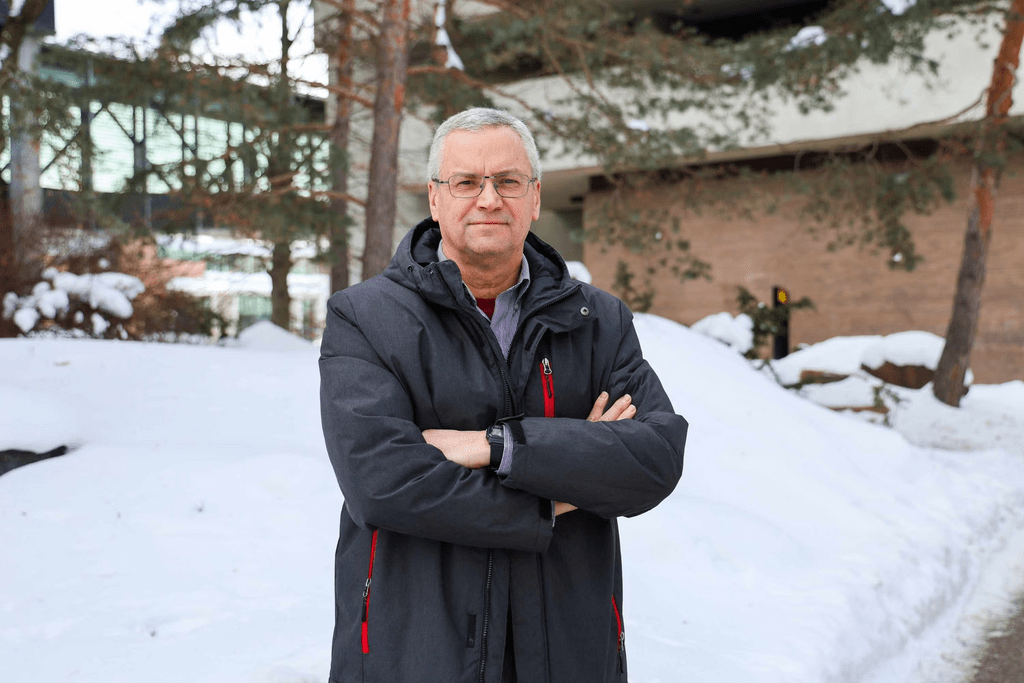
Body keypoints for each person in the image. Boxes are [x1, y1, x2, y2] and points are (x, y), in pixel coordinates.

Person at [319, 107, 687, 683]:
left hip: (568, 652)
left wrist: (495, 446)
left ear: (535, 198)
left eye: (508, 182)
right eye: (467, 182)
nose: (489, 199)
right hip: (415, 653)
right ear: (435, 199)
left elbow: (654, 457)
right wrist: (562, 488)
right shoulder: (364, 318)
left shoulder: (598, 320)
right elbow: (382, 483)